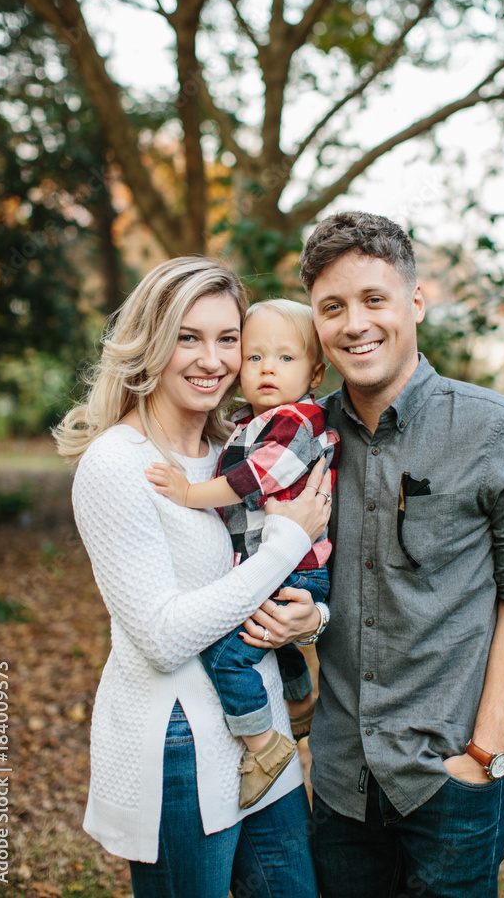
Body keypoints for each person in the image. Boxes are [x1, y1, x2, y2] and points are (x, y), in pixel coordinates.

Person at [294, 211, 504, 898]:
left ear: (415, 301)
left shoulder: (498, 432)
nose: (355, 323)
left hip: (451, 777)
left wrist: (484, 752)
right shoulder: (302, 442)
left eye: (374, 299)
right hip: (342, 778)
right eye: (332, 307)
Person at [54, 257, 330, 898]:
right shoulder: (117, 464)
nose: (212, 359)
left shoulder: (237, 450)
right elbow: (163, 636)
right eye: (188, 337)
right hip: (177, 743)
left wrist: (312, 618)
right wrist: (286, 543)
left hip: (266, 736)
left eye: (228, 338)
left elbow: (309, 568)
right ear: (151, 343)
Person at [145, 299, 340, 809]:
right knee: (271, 640)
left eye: (285, 358)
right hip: (279, 565)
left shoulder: (297, 423)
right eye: (254, 358)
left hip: (295, 568)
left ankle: (264, 746)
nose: (267, 368)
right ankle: (299, 704)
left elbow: (254, 478)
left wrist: (189, 493)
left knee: (227, 656)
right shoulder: (250, 422)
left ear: (315, 373)